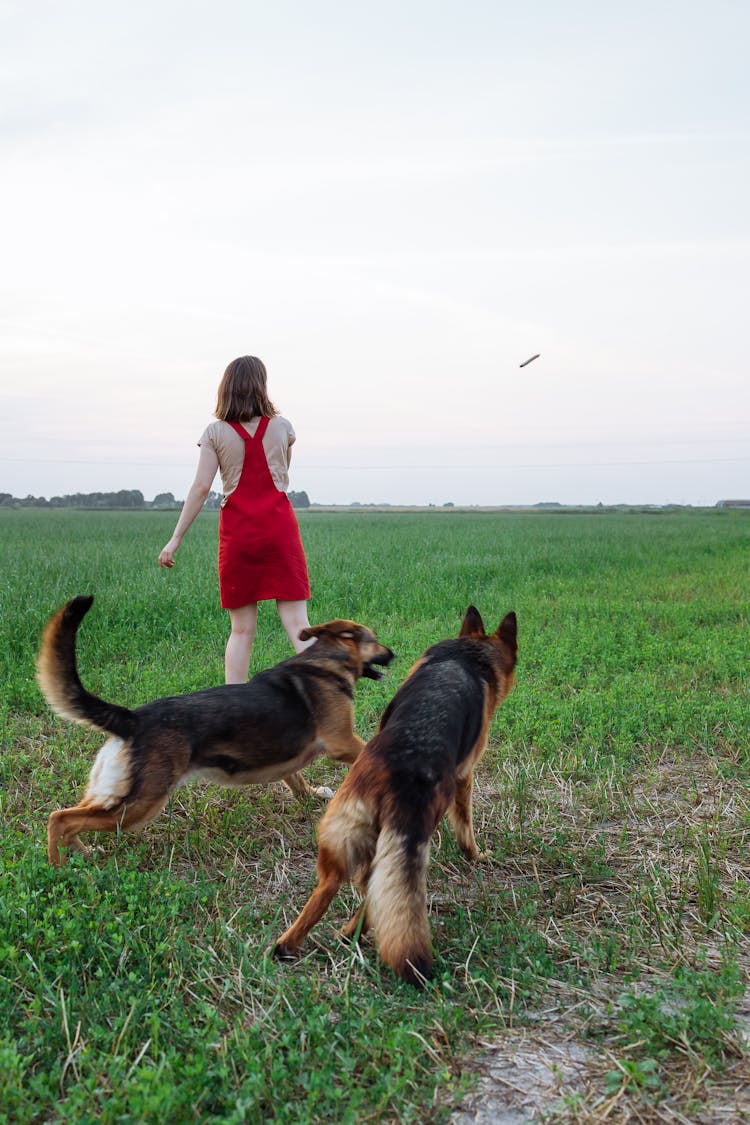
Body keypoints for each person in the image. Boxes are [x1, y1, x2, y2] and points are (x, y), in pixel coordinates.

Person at [158, 356, 313, 683]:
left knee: (241, 631)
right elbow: (283, 474)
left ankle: (233, 710)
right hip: (279, 529)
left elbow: (201, 487)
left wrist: (175, 539)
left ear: (226, 387)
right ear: (261, 385)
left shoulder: (215, 432)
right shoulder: (283, 427)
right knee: (299, 625)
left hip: (239, 534)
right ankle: (328, 700)